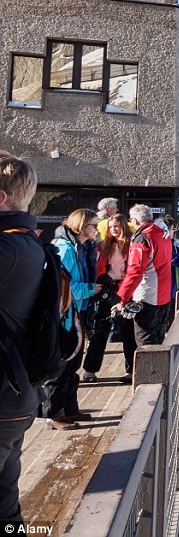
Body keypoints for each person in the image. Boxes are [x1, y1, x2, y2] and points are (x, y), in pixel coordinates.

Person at [0, 152, 45, 526]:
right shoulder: (28, 244)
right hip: (15, 395)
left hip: (3, 396)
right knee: (6, 508)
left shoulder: (7, 248)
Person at [49, 209, 102, 428]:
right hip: (67, 314)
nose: (96, 230)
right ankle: (55, 414)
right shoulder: (66, 249)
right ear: (81, 226)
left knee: (73, 364)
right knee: (65, 364)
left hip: (77, 312)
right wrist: (92, 289)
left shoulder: (81, 247)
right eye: (93, 225)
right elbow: (65, 287)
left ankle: (70, 408)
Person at [114, 205, 172, 361]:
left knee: (145, 342)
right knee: (159, 339)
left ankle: (149, 380)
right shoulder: (163, 234)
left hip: (147, 295)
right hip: (164, 295)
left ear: (134, 220)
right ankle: (160, 378)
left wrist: (121, 298)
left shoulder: (143, 238)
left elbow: (135, 272)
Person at [81, 215, 131, 383]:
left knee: (128, 330)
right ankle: (90, 370)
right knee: (101, 329)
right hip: (107, 287)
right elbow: (97, 268)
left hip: (125, 288)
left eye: (117, 226)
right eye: (110, 227)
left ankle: (131, 370)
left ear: (123, 226)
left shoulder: (132, 244)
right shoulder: (103, 246)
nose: (113, 229)